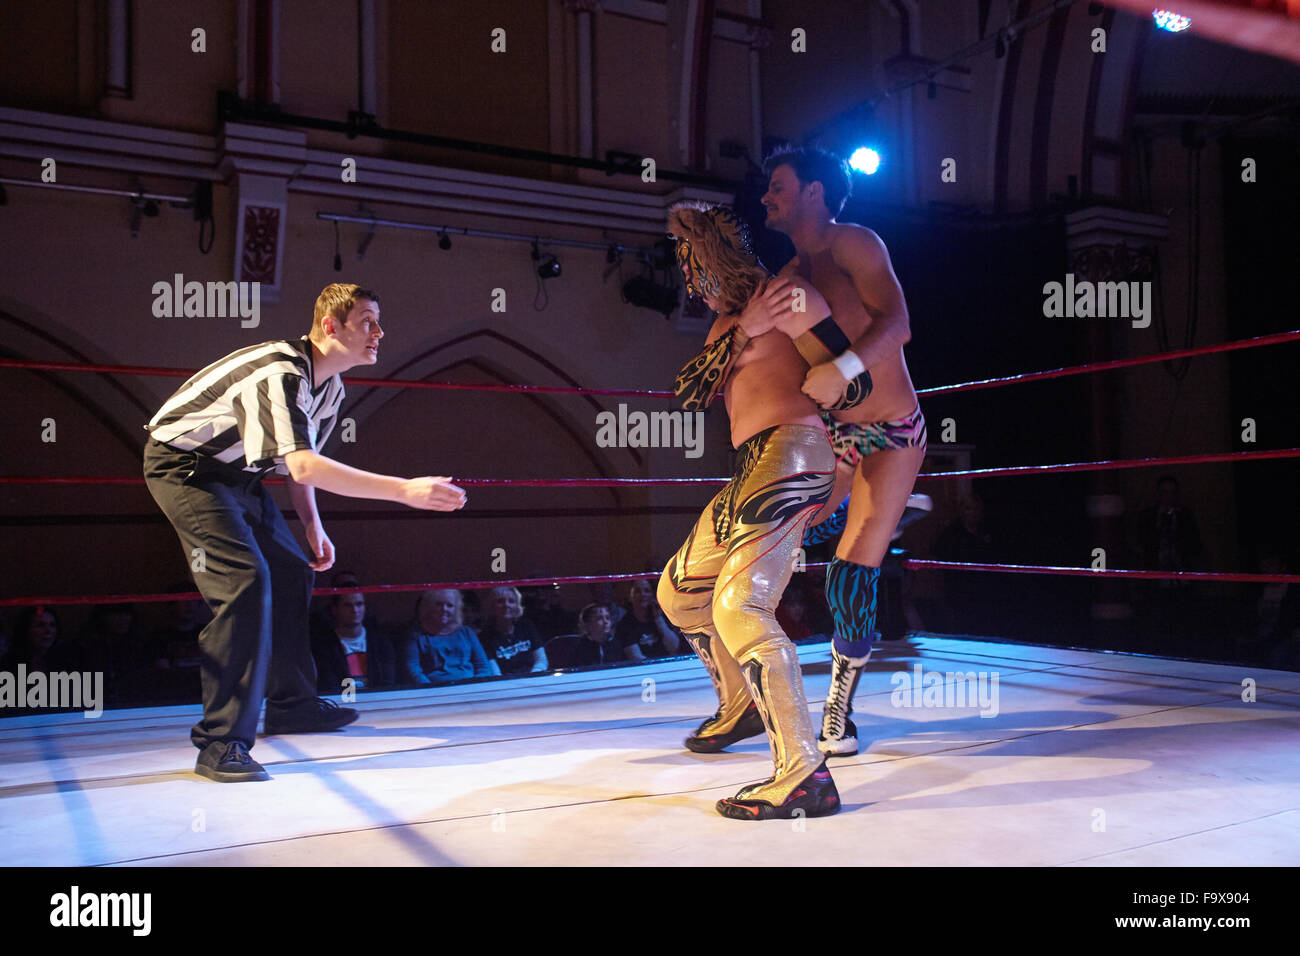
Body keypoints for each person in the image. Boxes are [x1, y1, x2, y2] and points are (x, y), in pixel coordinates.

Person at [142, 282, 466, 782]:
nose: (380, 332)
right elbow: (304, 462)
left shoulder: (331, 388)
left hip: (237, 477)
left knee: (292, 571)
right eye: (367, 320)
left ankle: (292, 704)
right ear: (330, 325)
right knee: (245, 584)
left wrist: (313, 526)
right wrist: (403, 490)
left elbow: (300, 467)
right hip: (185, 468)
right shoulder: (280, 371)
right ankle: (220, 742)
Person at [657, 200, 845, 820]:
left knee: (741, 605)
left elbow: (851, 380)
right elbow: (688, 392)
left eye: (692, 266)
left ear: (710, 259)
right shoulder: (728, 326)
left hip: (795, 451)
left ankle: (802, 773)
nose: (689, 284)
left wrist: (844, 478)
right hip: (752, 466)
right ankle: (740, 705)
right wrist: (745, 329)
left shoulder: (790, 296)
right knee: (680, 593)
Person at [753, 146, 927, 757]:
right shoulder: (789, 277)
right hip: (834, 437)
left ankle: (839, 709)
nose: (767, 195)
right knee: (773, 533)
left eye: (778, 185)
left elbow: (899, 321)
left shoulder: (854, 242)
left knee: (852, 572)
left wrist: (845, 368)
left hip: (891, 432)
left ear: (814, 191)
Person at [405, 589, 500, 685]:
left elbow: (483, 666)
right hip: (435, 691)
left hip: (470, 687)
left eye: (449, 605)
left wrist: (476, 686)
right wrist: (430, 689)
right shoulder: (417, 635)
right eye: (439, 604)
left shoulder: (466, 632)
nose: (444, 609)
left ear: (456, 609)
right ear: (429, 607)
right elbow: (413, 668)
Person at [310, 588, 397, 693]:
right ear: (335, 609)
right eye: (348, 605)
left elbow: (387, 685)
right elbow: (330, 687)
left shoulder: (381, 643)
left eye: (359, 604)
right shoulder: (325, 647)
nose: (355, 610)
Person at [477, 586, 548, 675]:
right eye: (500, 601)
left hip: (533, 678)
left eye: (511, 601)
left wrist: (532, 677)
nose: (506, 605)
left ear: (517, 606)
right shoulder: (485, 636)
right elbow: (495, 672)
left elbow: (541, 659)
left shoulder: (527, 626)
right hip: (505, 684)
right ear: (492, 607)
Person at [615, 579, 681, 660]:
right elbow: (635, 657)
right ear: (630, 597)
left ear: (652, 595)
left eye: (647, 591)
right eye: (638, 591)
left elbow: (674, 647)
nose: (643, 594)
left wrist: (658, 619)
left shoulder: (661, 617)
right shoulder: (625, 624)